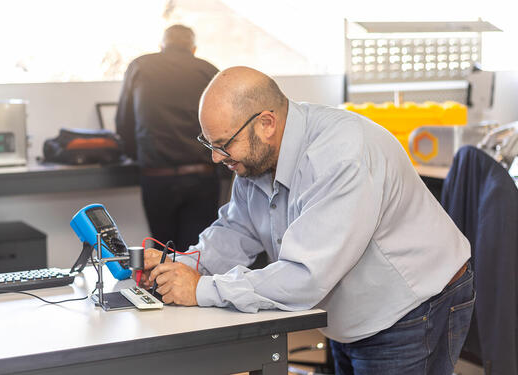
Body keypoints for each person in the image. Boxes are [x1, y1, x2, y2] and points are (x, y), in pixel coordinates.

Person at [142, 66, 474, 374]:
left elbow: (304, 276)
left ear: (266, 123)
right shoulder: (255, 158)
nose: (216, 157)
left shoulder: (341, 154)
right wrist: (177, 267)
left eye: (223, 144)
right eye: (209, 144)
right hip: (351, 312)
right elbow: (235, 230)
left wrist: (201, 289)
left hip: (413, 307)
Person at [115, 24, 220, 252]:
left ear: (162, 45)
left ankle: (161, 289)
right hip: (202, 176)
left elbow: (124, 120)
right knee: (198, 252)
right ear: (193, 48)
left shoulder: (140, 66)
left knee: (164, 251)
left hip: (157, 176)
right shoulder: (207, 70)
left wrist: (138, 155)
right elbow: (225, 121)